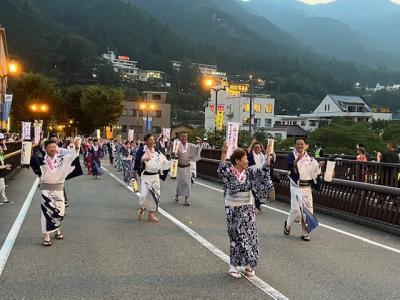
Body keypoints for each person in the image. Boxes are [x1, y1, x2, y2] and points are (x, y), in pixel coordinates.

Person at [217, 142, 273, 278]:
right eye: (245, 159)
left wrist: (267, 158)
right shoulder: (230, 171)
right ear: (237, 160)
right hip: (233, 210)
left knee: (250, 236)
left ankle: (248, 264)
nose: (248, 161)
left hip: (248, 210)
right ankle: (233, 266)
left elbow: (262, 171)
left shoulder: (250, 172)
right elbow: (221, 170)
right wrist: (223, 154)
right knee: (236, 237)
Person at [36, 138, 81, 246]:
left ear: (57, 148)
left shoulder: (62, 159)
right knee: (46, 212)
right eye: (50, 147)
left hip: (59, 188)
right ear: (45, 149)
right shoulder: (41, 160)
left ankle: (56, 229)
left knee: (59, 212)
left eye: (54, 147)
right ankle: (46, 236)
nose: (52, 149)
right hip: (46, 189)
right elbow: (30, 161)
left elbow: (73, 156)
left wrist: (77, 146)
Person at [284, 137, 324, 242]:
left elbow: (314, 172)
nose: (300, 146)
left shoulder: (310, 159)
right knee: (296, 210)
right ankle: (288, 225)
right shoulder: (291, 155)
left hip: (306, 187)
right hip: (296, 186)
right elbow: (290, 165)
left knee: (307, 211)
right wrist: (298, 158)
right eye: (298, 144)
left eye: (302, 144)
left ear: (305, 145)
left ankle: (305, 233)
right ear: (295, 145)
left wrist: (319, 167)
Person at [134, 133, 170, 222]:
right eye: (150, 140)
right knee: (143, 195)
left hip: (155, 176)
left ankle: (151, 215)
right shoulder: (141, 150)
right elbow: (137, 160)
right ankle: (142, 208)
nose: (152, 141)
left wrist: (169, 163)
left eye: (153, 140)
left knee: (155, 195)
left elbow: (163, 160)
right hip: (146, 176)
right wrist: (143, 160)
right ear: (146, 141)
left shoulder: (157, 150)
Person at [174, 133, 202, 206]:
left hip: (187, 167)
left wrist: (200, 142)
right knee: (179, 183)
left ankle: (187, 199)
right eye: (182, 138)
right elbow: (173, 153)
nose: (183, 139)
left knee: (187, 183)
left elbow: (197, 148)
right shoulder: (177, 145)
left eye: (185, 137)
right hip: (180, 166)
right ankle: (177, 196)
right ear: (180, 138)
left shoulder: (190, 145)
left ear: (187, 138)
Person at [247, 139, 267, 214]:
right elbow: (247, 151)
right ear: (253, 148)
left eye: (258, 147)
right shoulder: (251, 154)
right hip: (252, 175)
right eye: (255, 147)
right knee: (254, 191)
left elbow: (268, 158)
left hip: (260, 175)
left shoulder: (262, 155)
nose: (257, 149)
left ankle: (258, 206)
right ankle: (257, 207)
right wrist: (252, 143)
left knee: (260, 191)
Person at [0, 137, 12, 206]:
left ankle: (5, 199)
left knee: (2, 187)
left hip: (1, 172)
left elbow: (5, 149)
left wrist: (5, 167)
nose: (2, 149)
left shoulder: (1, 155)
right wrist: (5, 166)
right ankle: (4, 199)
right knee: (2, 187)